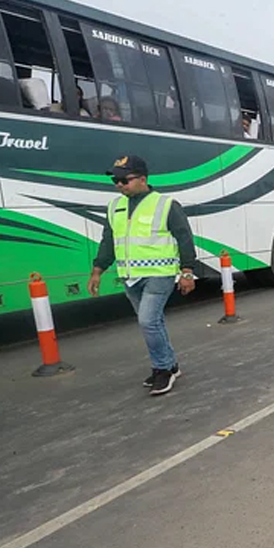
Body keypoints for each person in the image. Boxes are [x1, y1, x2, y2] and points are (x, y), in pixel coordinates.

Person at [88, 156, 197, 396]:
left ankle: (162, 370)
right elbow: (109, 241)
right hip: (130, 276)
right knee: (153, 322)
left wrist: (187, 272)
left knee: (148, 321)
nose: (119, 185)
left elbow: (184, 238)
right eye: (115, 180)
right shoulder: (114, 207)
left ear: (143, 179)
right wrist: (98, 270)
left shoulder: (166, 204)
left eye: (124, 180)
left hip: (160, 274)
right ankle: (170, 364)